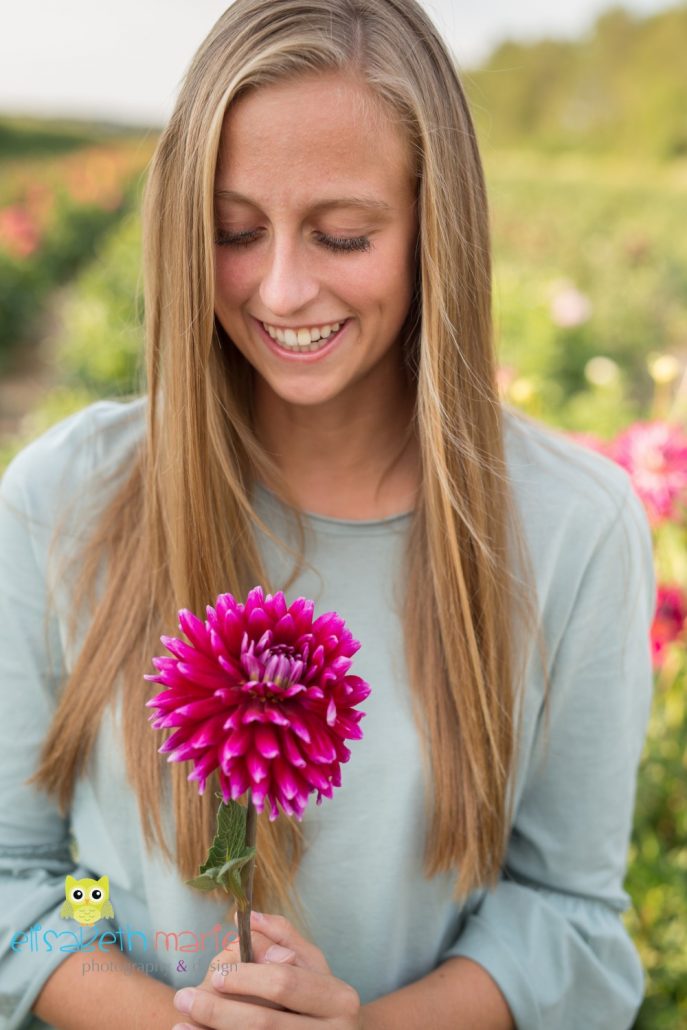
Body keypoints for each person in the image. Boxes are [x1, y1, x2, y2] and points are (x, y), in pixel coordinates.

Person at [0, 1, 655, 1028]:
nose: (285, 286)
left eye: (343, 234)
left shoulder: (573, 528)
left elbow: (563, 914)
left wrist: (360, 1026)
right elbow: (23, 880)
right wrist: (163, 1009)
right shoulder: (62, 498)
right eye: (234, 231)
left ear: (434, 228)